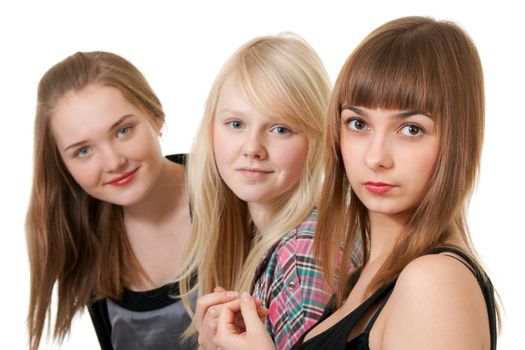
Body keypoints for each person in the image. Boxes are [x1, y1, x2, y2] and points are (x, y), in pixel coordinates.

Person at [212, 16, 499, 350]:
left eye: (411, 129)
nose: (376, 157)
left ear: (458, 140)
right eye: (358, 123)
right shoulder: (361, 278)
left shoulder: (434, 281)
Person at [177, 33, 353, 350]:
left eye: (280, 129)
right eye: (236, 124)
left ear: (317, 139)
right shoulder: (268, 240)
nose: (253, 148)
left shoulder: (303, 255)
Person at [26, 51, 195, 350]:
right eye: (83, 151)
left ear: (155, 114)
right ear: (63, 165)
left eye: (123, 131)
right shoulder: (86, 243)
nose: (113, 162)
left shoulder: (234, 190)